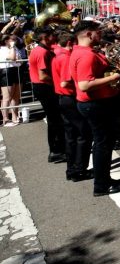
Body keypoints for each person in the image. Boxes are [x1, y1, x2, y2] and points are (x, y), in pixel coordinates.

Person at [70, 20, 120, 196]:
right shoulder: (87, 55)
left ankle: (104, 180)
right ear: (89, 34)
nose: (101, 34)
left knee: (103, 143)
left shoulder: (82, 51)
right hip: (96, 104)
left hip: (96, 103)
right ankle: (102, 184)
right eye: (98, 32)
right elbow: (85, 85)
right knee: (102, 145)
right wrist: (117, 75)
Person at [52, 31, 92, 182]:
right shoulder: (65, 57)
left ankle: (72, 169)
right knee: (83, 134)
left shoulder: (58, 55)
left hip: (63, 98)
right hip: (69, 97)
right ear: (70, 43)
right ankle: (79, 169)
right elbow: (65, 81)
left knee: (71, 136)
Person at [29, 26, 66, 162]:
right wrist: (56, 82)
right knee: (55, 120)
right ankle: (56, 150)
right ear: (45, 37)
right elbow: (43, 76)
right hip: (44, 87)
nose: (54, 37)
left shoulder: (41, 50)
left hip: (43, 87)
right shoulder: (41, 52)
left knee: (54, 119)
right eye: (51, 35)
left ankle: (57, 149)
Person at [0, 34, 21, 126]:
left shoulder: (15, 48)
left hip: (16, 71)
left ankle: (14, 116)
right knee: (7, 97)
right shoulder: (2, 50)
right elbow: (12, 58)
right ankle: (5, 119)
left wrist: (13, 50)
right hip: (6, 72)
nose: (14, 41)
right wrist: (12, 48)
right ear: (6, 41)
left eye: (15, 40)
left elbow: (19, 60)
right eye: (12, 39)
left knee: (16, 96)